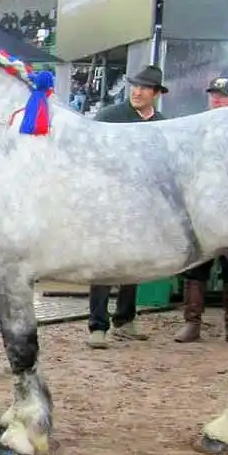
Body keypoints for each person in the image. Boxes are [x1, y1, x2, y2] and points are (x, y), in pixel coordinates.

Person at [85, 64, 168, 349]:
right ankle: (97, 325)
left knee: (133, 261)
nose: (137, 91)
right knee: (103, 263)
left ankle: (125, 318)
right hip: (108, 199)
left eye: (144, 87)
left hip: (142, 203)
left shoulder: (162, 122)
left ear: (155, 93)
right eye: (134, 85)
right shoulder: (110, 116)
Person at [175, 76, 228, 346]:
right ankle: (192, 322)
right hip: (201, 204)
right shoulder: (197, 127)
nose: (216, 99)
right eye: (213, 94)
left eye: (222, 95)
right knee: (196, 265)